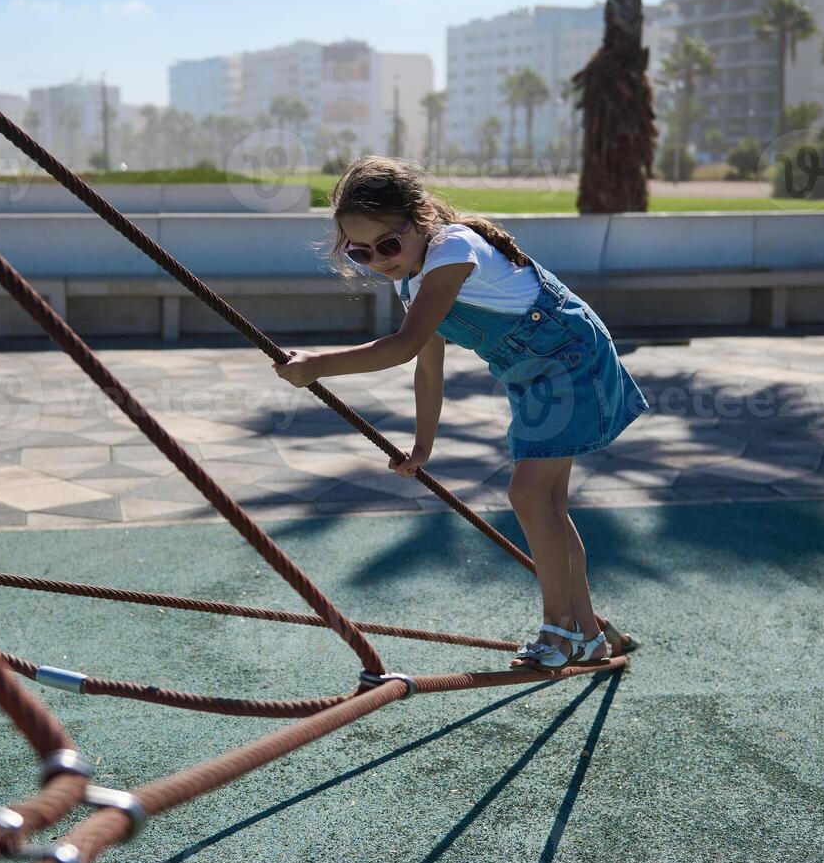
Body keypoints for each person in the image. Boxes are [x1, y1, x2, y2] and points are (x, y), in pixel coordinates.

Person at [272, 156, 648, 671]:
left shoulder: (453, 248)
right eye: (361, 252)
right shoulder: (413, 280)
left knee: (529, 493)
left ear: (421, 217)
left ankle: (557, 633)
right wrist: (423, 446)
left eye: (388, 244)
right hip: (534, 374)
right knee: (548, 504)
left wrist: (319, 365)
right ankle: (586, 634)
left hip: (570, 360)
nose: (379, 260)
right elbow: (427, 369)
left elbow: (404, 346)